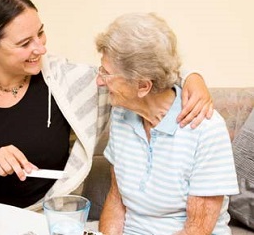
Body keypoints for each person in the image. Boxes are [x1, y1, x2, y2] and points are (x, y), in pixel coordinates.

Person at [0, 0, 213, 211]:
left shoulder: (69, 81)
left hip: (46, 218)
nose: (41, 48)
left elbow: (138, 73)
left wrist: (191, 77)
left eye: (40, 33)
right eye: (24, 43)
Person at [96, 13, 239, 235]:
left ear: (143, 86)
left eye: (106, 73)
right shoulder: (121, 114)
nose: (99, 81)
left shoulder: (206, 129)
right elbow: (116, 200)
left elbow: (196, 229)